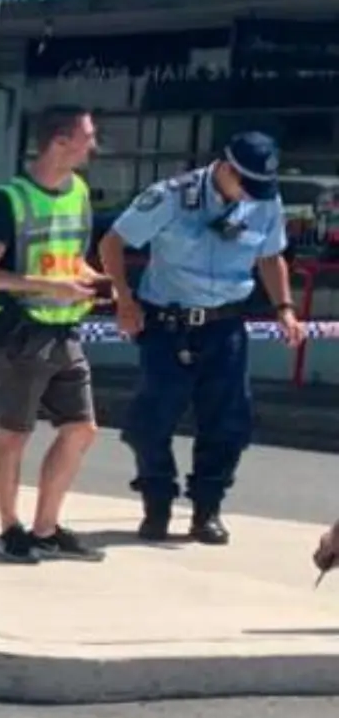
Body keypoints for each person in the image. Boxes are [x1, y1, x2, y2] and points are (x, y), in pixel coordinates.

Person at [98, 132, 308, 545]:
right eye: (246, 184)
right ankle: (156, 504)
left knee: (228, 423)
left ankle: (206, 511)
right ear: (226, 168)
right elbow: (113, 242)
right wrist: (124, 298)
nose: (252, 195)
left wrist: (284, 307)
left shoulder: (264, 201)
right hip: (166, 324)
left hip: (225, 325)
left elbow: (269, 256)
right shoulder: (171, 196)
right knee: (152, 420)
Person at [0, 104, 108, 563]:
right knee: (14, 433)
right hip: (20, 329)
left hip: (64, 326)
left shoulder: (80, 192)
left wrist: (93, 282)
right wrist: (50, 286)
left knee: (82, 428)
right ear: (59, 141)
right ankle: (11, 528)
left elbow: (72, 258)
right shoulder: (10, 198)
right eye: (87, 136)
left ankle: (46, 528)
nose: (94, 144)